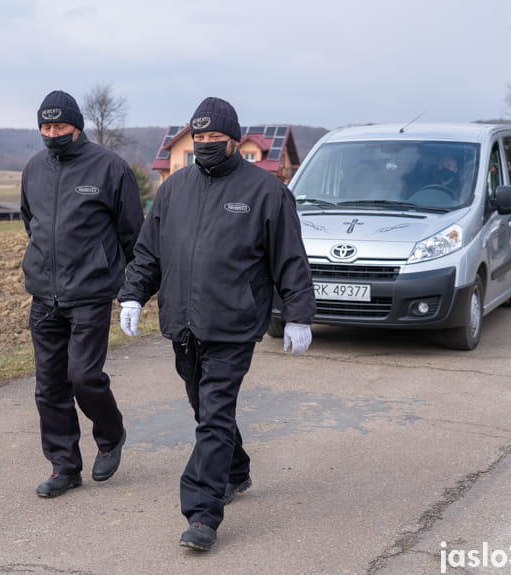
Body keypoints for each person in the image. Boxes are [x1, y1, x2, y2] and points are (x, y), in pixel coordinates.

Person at [117, 97, 316, 551]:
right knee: (206, 410)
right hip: (183, 323)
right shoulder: (173, 189)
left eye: (215, 138)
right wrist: (132, 294)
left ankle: (203, 513)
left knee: (214, 414)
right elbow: (150, 251)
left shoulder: (266, 192)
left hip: (234, 322)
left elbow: (290, 258)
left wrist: (299, 314)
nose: (206, 145)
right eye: (199, 138)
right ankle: (237, 470)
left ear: (234, 140)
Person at [20, 90, 144, 497]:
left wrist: (133, 289)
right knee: (49, 385)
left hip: (91, 293)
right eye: (46, 126)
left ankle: (111, 434)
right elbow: (31, 222)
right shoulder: (33, 169)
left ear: (78, 126)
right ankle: (64, 466)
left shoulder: (110, 168)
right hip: (44, 294)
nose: (52, 133)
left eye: (60, 126)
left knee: (84, 376)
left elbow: (133, 235)